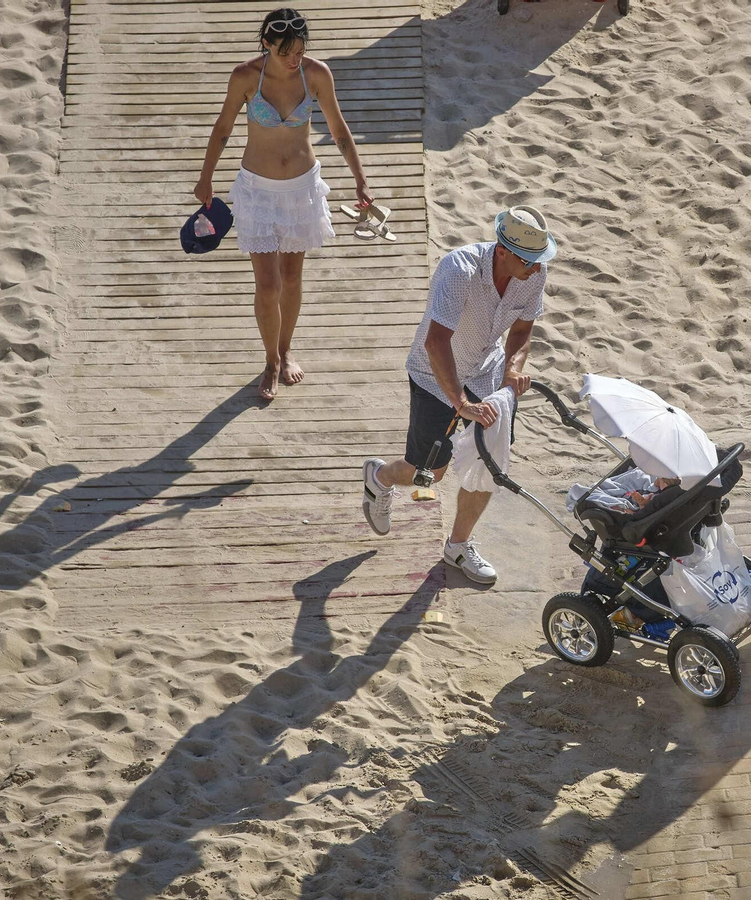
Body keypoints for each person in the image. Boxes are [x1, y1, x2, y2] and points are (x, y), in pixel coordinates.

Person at [360, 206, 557, 584]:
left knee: (488, 462)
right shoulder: (459, 270)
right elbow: (437, 343)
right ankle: (380, 477)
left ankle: (458, 545)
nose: (537, 269)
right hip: (435, 373)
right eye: (530, 261)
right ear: (503, 251)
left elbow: (521, 332)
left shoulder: (534, 274)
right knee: (429, 473)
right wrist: (460, 403)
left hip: (486, 372)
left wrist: (512, 370)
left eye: (539, 261)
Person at [193, 8, 372, 401]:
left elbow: (339, 130)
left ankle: (286, 350)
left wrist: (360, 179)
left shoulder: (316, 74)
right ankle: (270, 360)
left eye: (300, 51)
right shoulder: (245, 76)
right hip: (257, 190)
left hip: (301, 191)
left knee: (291, 279)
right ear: (266, 45)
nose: (294, 59)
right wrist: (205, 177)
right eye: (286, 52)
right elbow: (223, 128)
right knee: (267, 284)